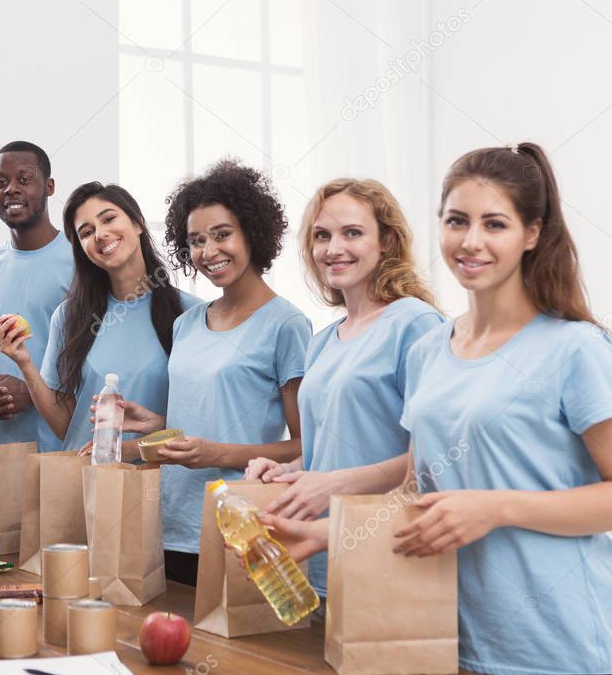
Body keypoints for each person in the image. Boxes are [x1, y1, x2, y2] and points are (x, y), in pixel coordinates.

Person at [255, 144, 612, 675]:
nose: (471, 241)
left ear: (532, 234)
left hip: (552, 643)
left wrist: (498, 508)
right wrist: (326, 534)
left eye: (495, 224)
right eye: (456, 221)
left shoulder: (574, 348)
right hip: (442, 634)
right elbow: (416, 492)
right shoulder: (431, 350)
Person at [244, 178, 443, 600]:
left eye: (352, 232)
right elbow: (335, 446)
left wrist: (333, 484)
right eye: (322, 236)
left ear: (387, 240)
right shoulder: (322, 341)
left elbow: (437, 456)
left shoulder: (415, 324)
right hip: (320, 554)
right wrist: (291, 470)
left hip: (388, 551)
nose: (334, 249)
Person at [118, 159, 312, 585]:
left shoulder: (286, 325)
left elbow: (304, 446)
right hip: (169, 523)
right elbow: (206, 419)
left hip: (238, 522)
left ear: (252, 233)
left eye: (222, 235)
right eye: (196, 241)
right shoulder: (185, 324)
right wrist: (155, 425)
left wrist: (217, 455)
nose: (208, 252)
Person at [0, 182, 201, 453]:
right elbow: (67, 425)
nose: (100, 234)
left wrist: (138, 442)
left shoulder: (191, 314)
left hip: (159, 484)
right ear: (82, 249)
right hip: (87, 483)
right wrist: (24, 363)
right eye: (86, 232)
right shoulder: (68, 317)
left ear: (138, 224)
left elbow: (201, 423)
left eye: (109, 219)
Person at [0, 141, 73, 449]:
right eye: (0, 182)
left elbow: (96, 368)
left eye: (24, 179)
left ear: (49, 186)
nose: (10, 189)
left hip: (64, 452)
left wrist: (34, 393)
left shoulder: (82, 266)